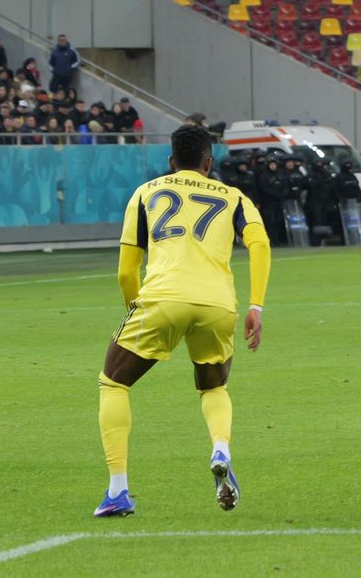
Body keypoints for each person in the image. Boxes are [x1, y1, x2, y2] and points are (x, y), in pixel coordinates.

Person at [92, 124, 272, 517]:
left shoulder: (146, 192)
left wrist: (134, 308)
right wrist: (256, 305)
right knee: (212, 388)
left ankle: (118, 490)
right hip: (218, 305)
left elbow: (127, 271)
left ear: (171, 161)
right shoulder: (234, 196)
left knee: (114, 382)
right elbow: (259, 244)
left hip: (162, 299)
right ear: (209, 162)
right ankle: (220, 449)